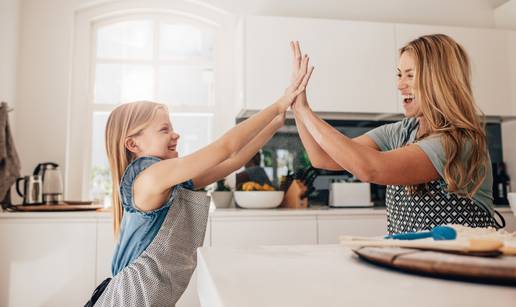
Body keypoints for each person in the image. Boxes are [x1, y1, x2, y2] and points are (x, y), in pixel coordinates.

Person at [84, 49, 313, 306]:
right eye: (164, 129)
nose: (175, 134)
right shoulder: (149, 178)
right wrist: (278, 104)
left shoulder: (169, 181)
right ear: (133, 145)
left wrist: (275, 122)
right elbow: (225, 148)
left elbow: (233, 161)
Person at [289, 36, 504, 234]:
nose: (400, 85)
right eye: (399, 74)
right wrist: (299, 106)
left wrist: (305, 112)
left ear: (440, 80)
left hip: (460, 269)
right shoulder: (401, 132)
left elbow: (371, 168)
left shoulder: (458, 142)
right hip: (409, 263)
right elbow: (322, 157)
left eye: (410, 75)